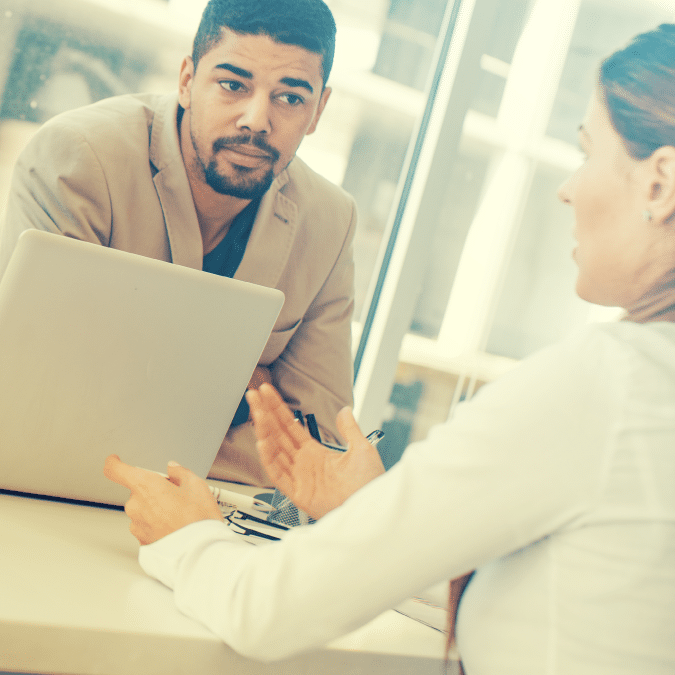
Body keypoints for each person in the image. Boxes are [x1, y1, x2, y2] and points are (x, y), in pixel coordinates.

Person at [103, 24, 675, 674]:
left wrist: (189, 536)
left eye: (586, 151)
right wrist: (371, 514)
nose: (567, 188)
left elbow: (265, 610)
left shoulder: (598, 385)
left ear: (659, 182)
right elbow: (562, 587)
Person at [0, 0, 356, 487]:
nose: (256, 119)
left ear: (318, 110)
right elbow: (36, 394)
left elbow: (312, 448)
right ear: (187, 80)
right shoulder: (77, 159)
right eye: (233, 85)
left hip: (206, 518)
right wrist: (240, 394)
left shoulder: (331, 221)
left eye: (290, 97)